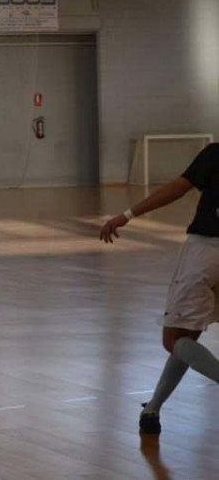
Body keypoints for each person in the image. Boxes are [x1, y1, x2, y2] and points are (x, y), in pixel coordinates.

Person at [100, 142, 219, 434]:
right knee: (187, 338)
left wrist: (126, 215)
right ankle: (152, 409)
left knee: (173, 339)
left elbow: (177, 189)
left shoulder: (215, 153)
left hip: (205, 251)